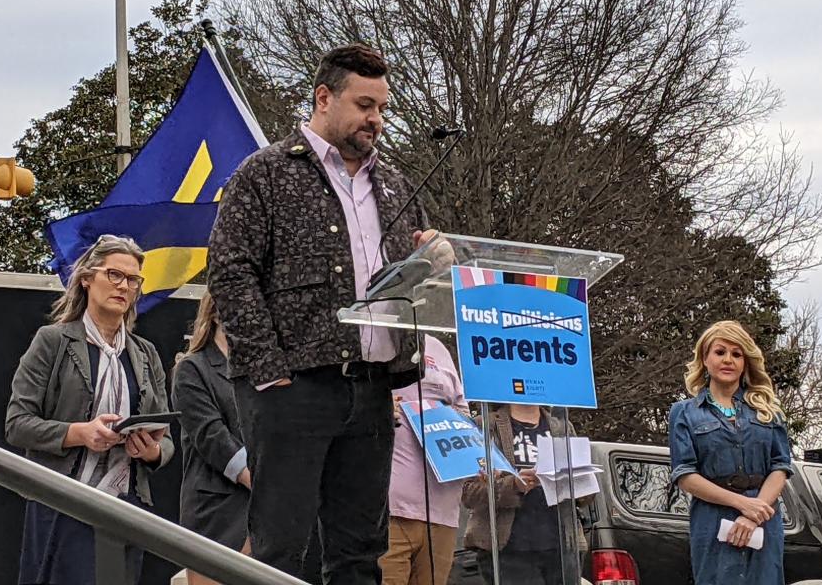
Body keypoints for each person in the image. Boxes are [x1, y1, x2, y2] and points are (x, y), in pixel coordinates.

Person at [206, 43, 434, 584]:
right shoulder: (264, 173)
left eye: (381, 107)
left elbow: (415, 271)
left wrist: (434, 257)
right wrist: (268, 367)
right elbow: (229, 270)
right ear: (323, 98)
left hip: (374, 389)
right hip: (295, 387)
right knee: (280, 547)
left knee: (360, 553)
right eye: (363, 105)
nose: (375, 119)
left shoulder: (396, 183)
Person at [5, 235, 174, 585]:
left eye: (132, 280)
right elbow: (17, 424)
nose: (124, 286)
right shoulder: (52, 341)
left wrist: (153, 451)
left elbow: (167, 439)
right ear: (86, 278)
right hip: (66, 501)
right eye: (114, 275)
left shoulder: (145, 354)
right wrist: (79, 433)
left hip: (127, 505)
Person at [668, 320, 793, 585]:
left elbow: (781, 467)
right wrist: (740, 503)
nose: (728, 360)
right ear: (705, 357)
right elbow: (685, 474)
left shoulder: (768, 410)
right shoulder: (684, 413)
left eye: (737, 354)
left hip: (763, 516)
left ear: (746, 362)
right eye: (720, 352)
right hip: (712, 519)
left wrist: (752, 512)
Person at [172, 292, 251, 585]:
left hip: (264, 515)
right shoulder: (192, 368)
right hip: (215, 514)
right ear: (216, 314)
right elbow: (210, 435)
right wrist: (256, 478)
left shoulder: (262, 372)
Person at [461, 404, 588, 585]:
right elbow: (468, 493)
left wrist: (579, 482)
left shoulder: (562, 426)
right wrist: (513, 485)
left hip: (562, 548)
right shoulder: (484, 426)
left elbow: (585, 495)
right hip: (508, 550)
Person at [380, 335, 468, 585]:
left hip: (443, 510)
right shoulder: (373, 337)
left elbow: (463, 412)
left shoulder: (437, 347)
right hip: (391, 507)